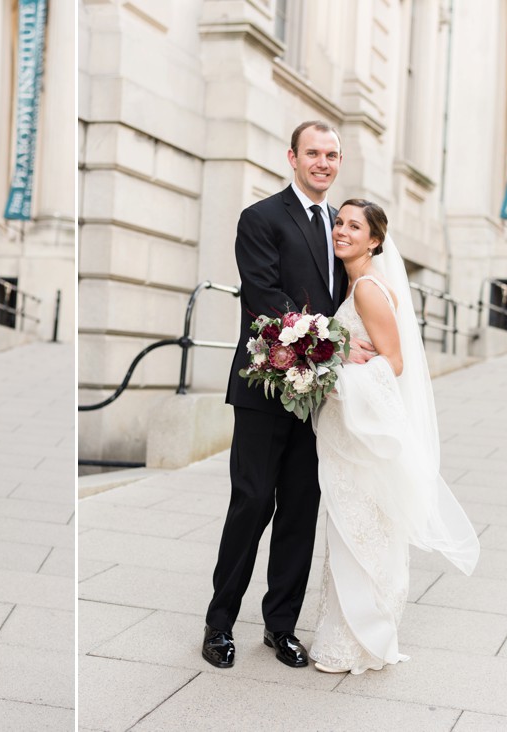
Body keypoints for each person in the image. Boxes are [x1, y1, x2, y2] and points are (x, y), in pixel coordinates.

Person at [203, 121, 375, 669]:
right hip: (265, 387)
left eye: (332, 155)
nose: (323, 162)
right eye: (313, 153)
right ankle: (219, 624)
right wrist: (335, 346)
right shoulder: (260, 218)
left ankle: (281, 627)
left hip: (319, 398)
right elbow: (265, 297)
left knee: (301, 508)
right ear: (292, 158)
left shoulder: (342, 227)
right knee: (252, 504)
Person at [309, 200, 479, 674]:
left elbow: (395, 363)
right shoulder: (358, 283)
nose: (342, 231)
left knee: (359, 530)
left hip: (360, 433)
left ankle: (357, 639)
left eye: (354, 226)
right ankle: (352, 637)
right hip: (351, 430)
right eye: (339, 223)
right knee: (355, 530)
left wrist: (336, 367)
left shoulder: (366, 289)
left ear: (375, 240)